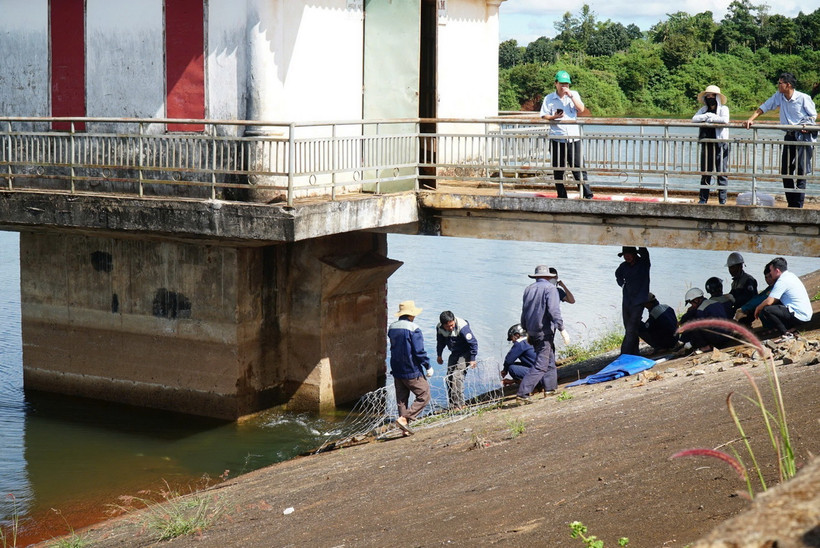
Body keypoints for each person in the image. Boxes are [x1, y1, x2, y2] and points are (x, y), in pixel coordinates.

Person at [744, 73, 817, 208]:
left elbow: (813, 116)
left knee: (801, 170)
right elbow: (765, 106)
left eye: (780, 83)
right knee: (786, 170)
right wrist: (750, 119)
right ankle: (792, 203)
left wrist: (806, 126)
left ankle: (798, 204)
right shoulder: (779, 96)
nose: (778, 85)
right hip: (789, 136)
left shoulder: (803, 98)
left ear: (787, 85)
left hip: (803, 136)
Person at [540, 70, 594, 200]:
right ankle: (562, 195)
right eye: (562, 84)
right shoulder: (549, 98)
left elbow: (581, 109)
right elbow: (543, 115)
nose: (564, 86)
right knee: (558, 169)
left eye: (567, 84)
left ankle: (587, 194)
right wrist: (553, 117)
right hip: (557, 137)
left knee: (578, 167)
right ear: (556, 83)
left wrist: (571, 96)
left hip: (573, 137)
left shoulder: (574, 94)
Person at [518, 265, 569, 401]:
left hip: (532, 331)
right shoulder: (550, 289)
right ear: (548, 277)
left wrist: (525, 329)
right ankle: (523, 393)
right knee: (541, 364)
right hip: (544, 332)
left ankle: (550, 389)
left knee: (550, 359)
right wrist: (562, 329)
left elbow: (524, 312)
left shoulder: (528, 289)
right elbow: (554, 311)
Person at [387, 300, 433, 435]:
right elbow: (419, 351)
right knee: (424, 394)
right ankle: (404, 419)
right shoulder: (414, 329)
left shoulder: (392, 327)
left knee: (402, 398)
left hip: (396, 367)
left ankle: (404, 430)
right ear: (411, 315)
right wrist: (428, 366)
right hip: (411, 368)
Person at [754, 257, 813, 341]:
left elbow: (769, 301)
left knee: (767, 309)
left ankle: (785, 333)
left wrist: (758, 308)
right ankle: (792, 329)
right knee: (775, 305)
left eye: (771, 271)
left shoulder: (782, 281)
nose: (770, 273)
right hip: (805, 314)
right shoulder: (790, 275)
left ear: (777, 271)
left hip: (800, 315)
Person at [692, 85, 730, 204]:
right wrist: (707, 116)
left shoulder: (723, 109)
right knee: (705, 172)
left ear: (717, 97)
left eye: (712, 96)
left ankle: (722, 200)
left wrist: (712, 117)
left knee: (721, 172)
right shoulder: (703, 110)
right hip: (706, 144)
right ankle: (703, 199)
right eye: (707, 96)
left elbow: (724, 120)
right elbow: (694, 119)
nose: (710, 98)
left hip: (720, 143)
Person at [436, 310, 478, 409]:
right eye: (448, 326)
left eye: (452, 325)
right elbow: (440, 342)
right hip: (455, 352)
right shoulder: (439, 328)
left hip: (466, 352)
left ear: (454, 320)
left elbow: (473, 343)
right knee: (449, 377)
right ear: (442, 325)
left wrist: (472, 358)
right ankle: (453, 405)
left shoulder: (462, 327)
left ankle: (461, 404)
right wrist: (439, 355)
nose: (450, 328)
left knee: (457, 376)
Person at [615, 246, 650, 355]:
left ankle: (624, 355)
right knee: (629, 328)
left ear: (635, 254)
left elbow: (644, 252)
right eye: (625, 255)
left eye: (629, 254)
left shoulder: (644, 263)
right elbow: (618, 275)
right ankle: (635, 353)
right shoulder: (623, 266)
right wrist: (622, 284)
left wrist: (639, 239)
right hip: (626, 301)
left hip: (639, 301)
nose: (627, 257)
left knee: (631, 328)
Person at [679, 287, 731, 352]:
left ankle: (706, 347)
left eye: (691, 303)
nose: (691, 305)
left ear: (696, 300)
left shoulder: (701, 310)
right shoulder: (716, 302)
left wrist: (691, 343)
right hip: (727, 336)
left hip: (717, 339)